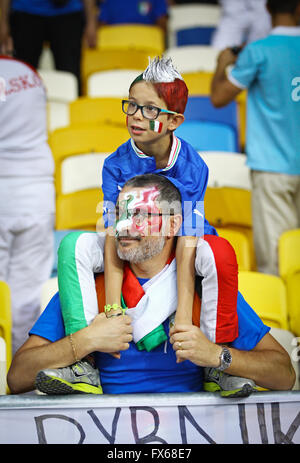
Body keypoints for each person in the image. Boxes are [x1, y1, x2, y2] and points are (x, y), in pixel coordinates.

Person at [7, 174, 296, 396]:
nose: (123, 226)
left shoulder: (203, 285)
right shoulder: (89, 287)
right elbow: (17, 376)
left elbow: (284, 374)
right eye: (119, 214)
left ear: (173, 225)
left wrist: (217, 355)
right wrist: (85, 341)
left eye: (140, 215)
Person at [55, 56, 242, 394]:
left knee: (221, 254)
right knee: (73, 246)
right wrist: (112, 308)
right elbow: (114, 230)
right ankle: (83, 364)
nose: (136, 116)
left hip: (178, 242)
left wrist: (183, 315)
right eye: (132, 106)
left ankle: (216, 364)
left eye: (150, 110)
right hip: (131, 240)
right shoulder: (116, 163)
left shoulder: (192, 166)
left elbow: (188, 236)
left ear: (174, 121)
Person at [210, 0, 300, 276]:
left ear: (268, 10)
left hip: (271, 167)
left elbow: (218, 97)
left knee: (276, 262)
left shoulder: (258, 52)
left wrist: (221, 64)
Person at [0, 54, 55, 354]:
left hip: (5, 188)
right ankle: (21, 376)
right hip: (37, 190)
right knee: (28, 293)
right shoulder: (29, 73)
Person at [0, 0, 98, 95]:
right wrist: (3, 22)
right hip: (25, 13)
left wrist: (91, 21)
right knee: (22, 76)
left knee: (70, 75)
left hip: (69, 14)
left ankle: (75, 109)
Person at [98, 0, 169, 34]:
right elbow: (102, 28)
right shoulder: (109, 1)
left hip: (147, 49)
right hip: (116, 50)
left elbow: (162, 27)